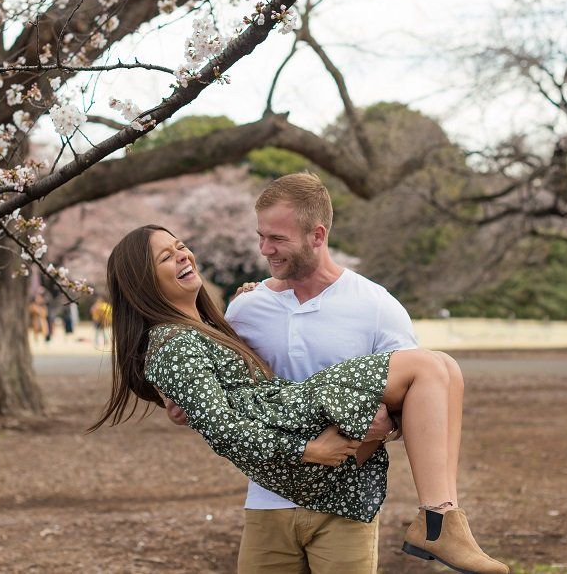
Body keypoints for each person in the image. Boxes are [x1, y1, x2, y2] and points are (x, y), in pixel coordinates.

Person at [92, 224, 511, 574]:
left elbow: (211, 396)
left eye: (180, 246)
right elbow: (222, 430)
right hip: (289, 428)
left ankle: (444, 520)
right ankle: (438, 521)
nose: (182, 256)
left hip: (288, 420)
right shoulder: (173, 342)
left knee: (444, 369)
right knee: (430, 367)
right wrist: (307, 448)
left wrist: (255, 297)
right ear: (142, 281)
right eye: (165, 257)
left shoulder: (205, 326)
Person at [167, 172, 420, 573]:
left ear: (317, 235)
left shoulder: (376, 306)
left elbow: (411, 403)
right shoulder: (246, 309)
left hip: (346, 503)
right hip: (267, 501)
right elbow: (226, 395)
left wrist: (381, 427)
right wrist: (185, 407)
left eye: (278, 239)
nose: (265, 249)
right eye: (261, 236)